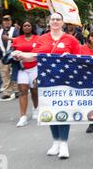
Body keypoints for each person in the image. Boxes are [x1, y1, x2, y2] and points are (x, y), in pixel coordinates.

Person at [13, 12, 81, 159]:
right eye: (53, 19)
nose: (55, 21)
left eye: (58, 19)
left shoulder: (71, 39)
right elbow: (34, 55)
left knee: (62, 110)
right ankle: (55, 142)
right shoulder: (42, 39)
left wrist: (70, 61)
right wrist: (21, 55)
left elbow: (79, 59)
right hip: (45, 80)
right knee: (50, 111)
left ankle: (64, 144)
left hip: (64, 80)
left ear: (63, 23)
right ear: (49, 23)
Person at [11, 20, 40, 127]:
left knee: (34, 91)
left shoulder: (38, 39)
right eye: (25, 26)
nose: (27, 27)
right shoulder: (17, 40)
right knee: (23, 91)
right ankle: (23, 116)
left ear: (32, 27)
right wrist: (14, 54)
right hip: (22, 69)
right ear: (22, 28)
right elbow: (12, 52)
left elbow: (40, 51)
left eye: (29, 25)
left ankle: (36, 109)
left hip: (35, 67)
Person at [0, 15, 19, 101]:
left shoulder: (15, 30)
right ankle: (7, 92)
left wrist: (8, 38)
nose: (6, 22)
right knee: (4, 75)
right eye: (5, 21)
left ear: (11, 21)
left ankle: (17, 90)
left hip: (13, 55)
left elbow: (19, 40)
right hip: (2, 56)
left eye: (8, 21)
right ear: (2, 22)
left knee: (14, 73)